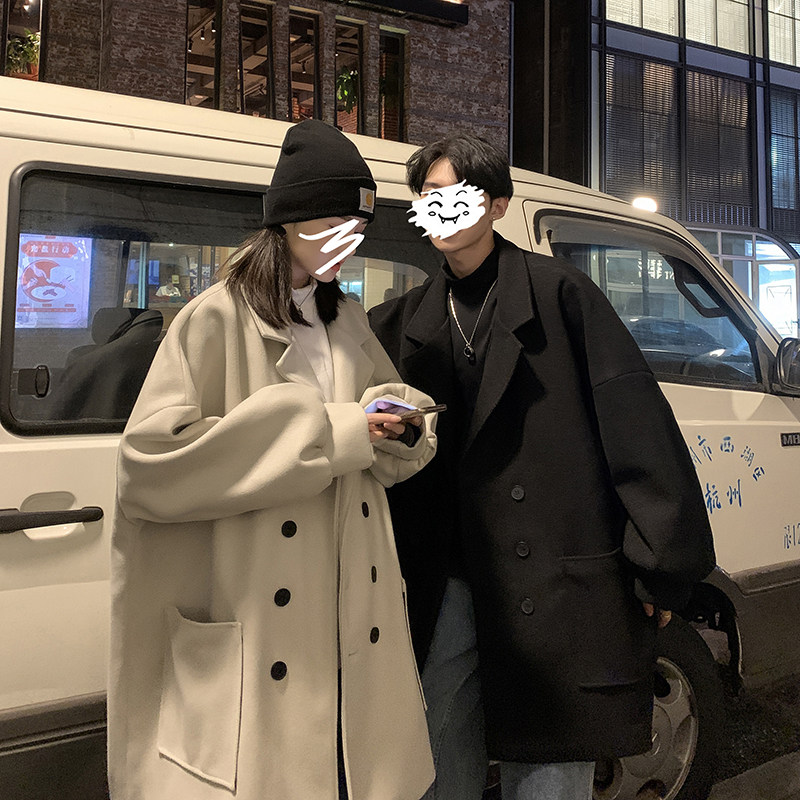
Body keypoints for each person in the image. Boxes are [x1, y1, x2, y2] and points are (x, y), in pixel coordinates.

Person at [368, 133, 716, 800]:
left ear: (498, 204)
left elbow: (635, 422)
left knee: (550, 773)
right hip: (446, 586)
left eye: (460, 194)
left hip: (556, 586)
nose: (442, 208)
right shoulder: (399, 322)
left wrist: (659, 567)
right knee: (437, 768)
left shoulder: (563, 296)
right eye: (430, 195)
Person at [108, 120, 436, 800]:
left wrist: (401, 426)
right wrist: (337, 431)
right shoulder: (215, 318)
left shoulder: (346, 319)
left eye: (358, 226)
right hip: (263, 617)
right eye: (334, 223)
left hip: (349, 612)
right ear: (287, 222)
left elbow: (381, 426)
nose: (349, 240)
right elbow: (150, 466)